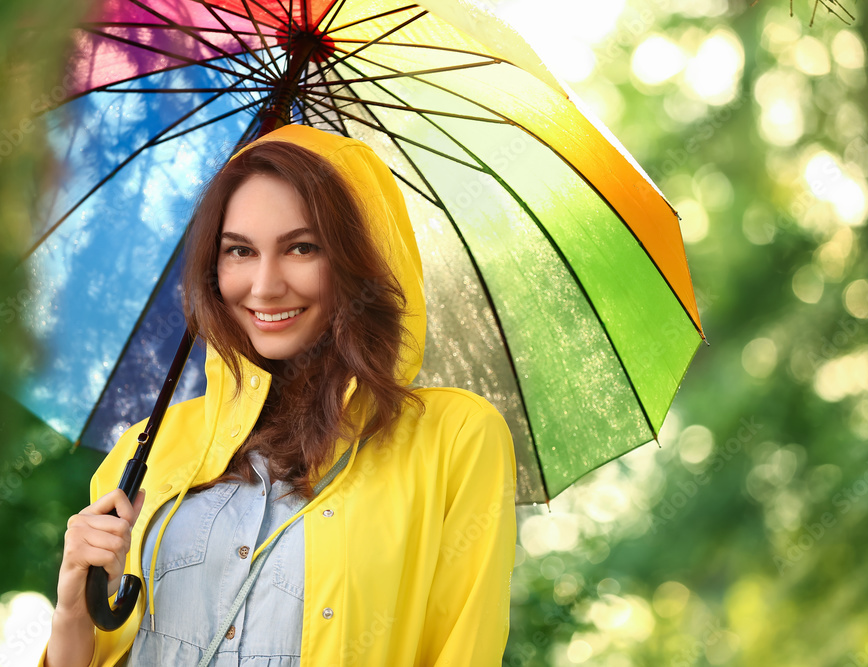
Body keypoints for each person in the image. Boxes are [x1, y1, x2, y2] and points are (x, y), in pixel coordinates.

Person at [41, 124, 517, 667]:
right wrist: (72, 611)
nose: (264, 285)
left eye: (302, 247)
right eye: (239, 251)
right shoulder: (146, 449)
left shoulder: (455, 438)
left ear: (360, 259)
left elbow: (462, 648)